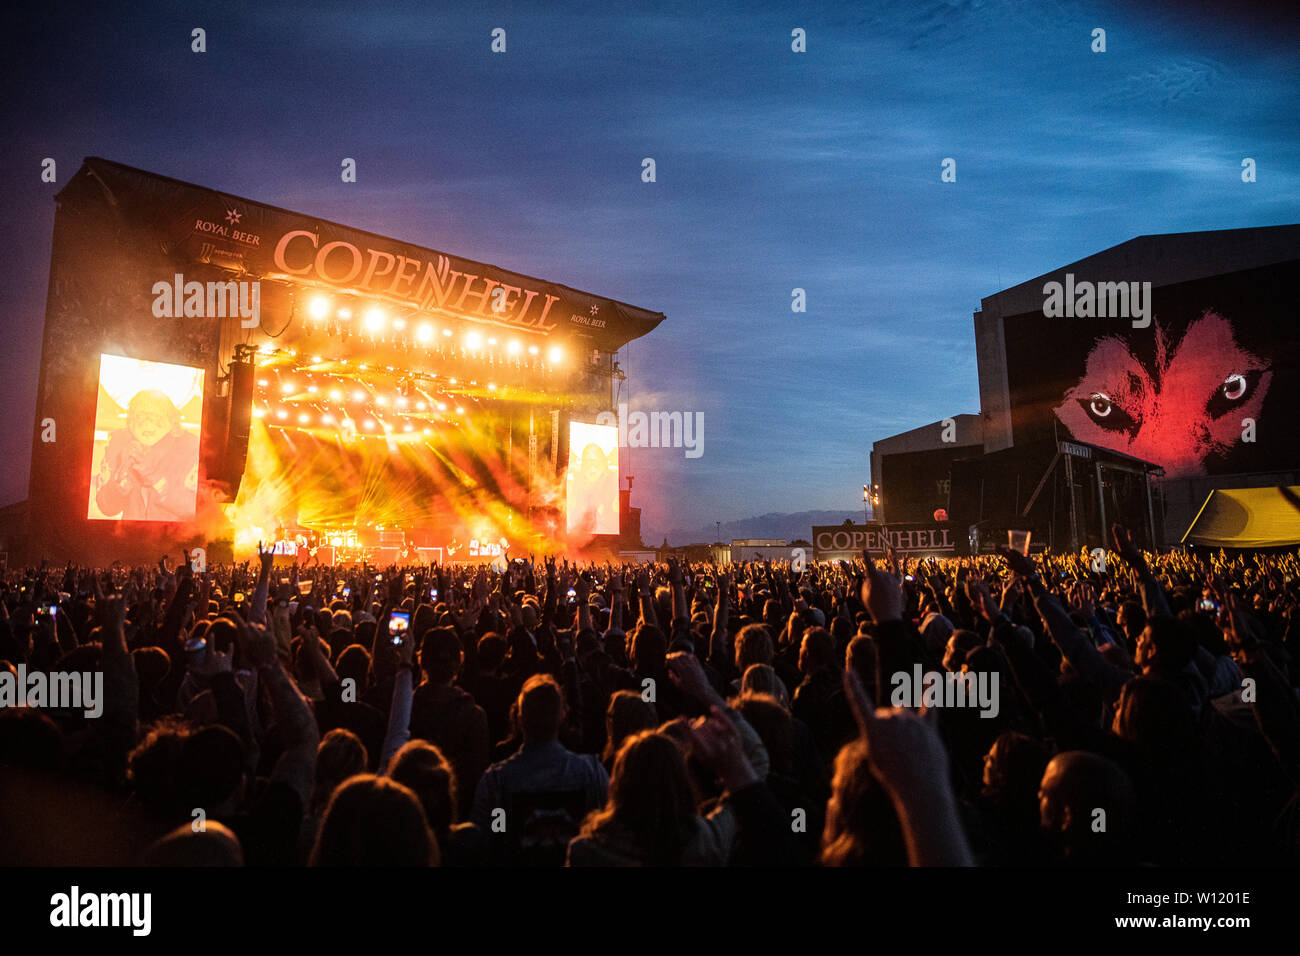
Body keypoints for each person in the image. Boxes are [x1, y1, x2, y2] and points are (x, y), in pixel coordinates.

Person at [93, 390, 199, 521]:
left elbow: (197, 510)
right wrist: (119, 487)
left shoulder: (190, 448)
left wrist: (157, 480)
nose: (147, 423)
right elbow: (106, 507)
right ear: (130, 423)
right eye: (140, 417)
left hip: (176, 537)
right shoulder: (119, 444)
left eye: (157, 416)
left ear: (172, 422)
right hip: (130, 537)